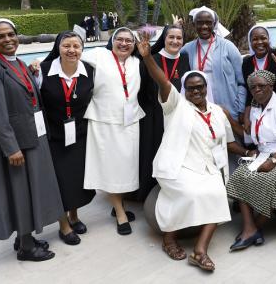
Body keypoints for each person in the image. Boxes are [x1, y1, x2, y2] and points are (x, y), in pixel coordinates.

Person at [137, 33, 252, 272]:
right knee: (190, 194)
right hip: (177, 166)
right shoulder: (176, 106)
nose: (196, 92)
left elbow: (229, 143)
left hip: (207, 167)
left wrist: (248, 152)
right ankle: (169, 238)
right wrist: (148, 58)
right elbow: (163, 82)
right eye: (191, 88)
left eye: (200, 87)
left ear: (206, 88)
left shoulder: (217, 111)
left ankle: (200, 251)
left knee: (218, 193)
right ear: (184, 90)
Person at [0, 19, 64, 261]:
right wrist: (11, 148)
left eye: (11, 34)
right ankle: (25, 246)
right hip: (14, 146)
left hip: (31, 138)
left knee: (27, 190)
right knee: (20, 193)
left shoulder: (19, 64)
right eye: (0, 36)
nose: (8, 40)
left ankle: (24, 237)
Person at [226, 70, 276, 251]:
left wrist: (273, 162)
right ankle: (251, 228)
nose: (257, 90)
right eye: (253, 87)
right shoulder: (254, 108)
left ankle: (254, 227)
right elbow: (249, 137)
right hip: (263, 154)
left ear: (271, 86)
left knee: (270, 181)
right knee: (239, 176)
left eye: (261, 86)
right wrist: (228, 117)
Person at [32, 31, 96, 245]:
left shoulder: (89, 70)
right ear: (58, 48)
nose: (71, 50)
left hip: (79, 134)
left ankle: (74, 216)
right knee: (59, 181)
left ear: (82, 49)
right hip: (53, 136)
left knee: (76, 179)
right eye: (66, 45)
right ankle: (63, 225)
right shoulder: (42, 70)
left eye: (76, 46)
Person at [81, 27, 145, 235]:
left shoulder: (137, 63)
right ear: (113, 40)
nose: (124, 44)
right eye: (120, 39)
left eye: (129, 41)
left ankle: (118, 205)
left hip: (129, 121)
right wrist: (39, 64)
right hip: (104, 121)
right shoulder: (100, 55)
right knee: (111, 168)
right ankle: (120, 213)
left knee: (126, 167)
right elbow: (69, 53)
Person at [136, 24, 191, 201]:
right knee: (152, 152)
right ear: (164, 39)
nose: (175, 41)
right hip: (153, 116)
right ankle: (148, 195)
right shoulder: (150, 58)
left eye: (179, 38)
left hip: (177, 116)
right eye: (171, 37)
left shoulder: (185, 58)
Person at [180, 6, 245, 121]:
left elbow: (242, 81)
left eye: (208, 23)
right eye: (200, 23)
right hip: (200, 110)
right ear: (194, 25)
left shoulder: (228, 46)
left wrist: (240, 108)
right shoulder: (187, 49)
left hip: (228, 108)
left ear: (214, 24)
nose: (204, 26)